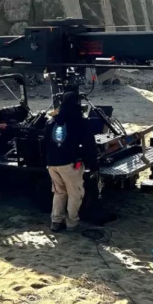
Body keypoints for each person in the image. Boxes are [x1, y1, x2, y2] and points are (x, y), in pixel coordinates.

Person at [44, 91, 99, 232]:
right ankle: (71, 223)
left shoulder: (51, 121)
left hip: (52, 164)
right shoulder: (79, 121)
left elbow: (46, 142)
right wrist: (93, 166)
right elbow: (89, 146)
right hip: (69, 164)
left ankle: (56, 221)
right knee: (75, 194)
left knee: (59, 192)